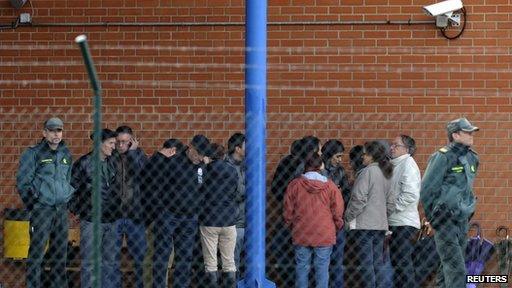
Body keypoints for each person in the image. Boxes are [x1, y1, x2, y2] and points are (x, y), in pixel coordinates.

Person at [420, 118, 479, 288]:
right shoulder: (442, 157)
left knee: (448, 267)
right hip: (444, 220)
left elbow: (466, 188)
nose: (471, 135)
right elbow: (427, 190)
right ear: (455, 135)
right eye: (467, 132)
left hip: (462, 220)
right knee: (457, 270)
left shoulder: (472, 157)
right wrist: (434, 218)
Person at [16, 117, 75, 288]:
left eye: (59, 130)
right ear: (44, 133)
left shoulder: (66, 153)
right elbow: (23, 183)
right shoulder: (33, 153)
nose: (56, 134)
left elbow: (67, 179)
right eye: (52, 130)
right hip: (42, 209)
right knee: (37, 254)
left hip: (61, 210)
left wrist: (66, 197)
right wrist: (34, 206)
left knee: (60, 254)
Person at [152, 134, 210, 288]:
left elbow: (203, 189)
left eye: (202, 156)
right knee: (162, 256)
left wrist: (198, 208)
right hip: (168, 215)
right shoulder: (173, 161)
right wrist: (160, 210)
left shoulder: (201, 166)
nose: (199, 158)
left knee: (185, 258)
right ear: (190, 147)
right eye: (198, 154)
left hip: (190, 218)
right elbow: (157, 186)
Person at [70, 128, 121, 288]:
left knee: (110, 263)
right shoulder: (83, 163)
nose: (114, 146)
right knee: (90, 264)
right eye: (111, 143)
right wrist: (79, 211)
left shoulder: (113, 162)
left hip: (112, 220)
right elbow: (71, 189)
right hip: (91, 221)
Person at [284, 153, 344, 288]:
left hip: (301, 231)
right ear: (321, 166)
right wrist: (338, 224)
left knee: (301, 267)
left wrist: (289, 223)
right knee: (322, 269)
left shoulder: (295, 185)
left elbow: (288, 209)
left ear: (305, 166)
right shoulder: (330, 186)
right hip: (324, 231)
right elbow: (338, 209)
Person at [344, 141, 394, 288]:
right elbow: (391, 202)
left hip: (364, 225)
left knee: (366, 263)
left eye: (365, 154)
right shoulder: (387, 173)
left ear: (372, 156)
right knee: (378, 262)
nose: (362, 157)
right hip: (380, 225)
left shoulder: (366, 172)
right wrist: (383, 216)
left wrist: (348, 216)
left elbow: (359, 198)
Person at [140, 138, 185, 288]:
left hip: (149, 216)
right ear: (172, 151)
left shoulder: (151, 162)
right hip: (159, 217)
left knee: (152, 257)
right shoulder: (163, 165)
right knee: (161, 259)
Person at [112, 125, 148, 288]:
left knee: (140, 258)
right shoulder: (110, 157)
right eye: (118, 142)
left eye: (125, 142)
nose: (120, 145)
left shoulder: (140, 157)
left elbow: (144, 176)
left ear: (132, 141)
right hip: (115, 216)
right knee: (112, 258)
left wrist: (133, 153)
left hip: (135, 216)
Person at [200, 143, 239, 287]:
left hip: (209, 218)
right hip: (228, 219)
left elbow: (200, 188)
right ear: (223, 155)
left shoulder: (205, 170)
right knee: (229, 262)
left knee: (210, 263)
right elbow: (235, 191)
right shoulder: (232, 170)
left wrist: (204, 165)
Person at [388, 135, 421, 288]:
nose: (391, 148)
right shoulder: (395, 165)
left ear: (407, 149)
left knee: (402, 263)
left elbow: (410, 194)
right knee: (398, 263)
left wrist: (391, 209)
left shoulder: (408, 165)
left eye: (396, 145)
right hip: (396, 221)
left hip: (404, 222)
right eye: (392, 144)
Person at [320, 139, 351, 288]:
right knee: (321, 261)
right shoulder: (318, 171)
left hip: (337, 222)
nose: (340, 160)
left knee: (337, 261)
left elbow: (346, 194)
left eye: (341, 156)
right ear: (328, 155)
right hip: (321, 222)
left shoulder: (340, 172)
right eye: (337, 156)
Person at [225, 133, 246, 275]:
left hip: (244, 220)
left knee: (241, 260)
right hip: (234, 222)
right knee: (233, 260)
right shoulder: (228, 167)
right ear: (238, 149)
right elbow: (237, 193)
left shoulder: (244, 165)